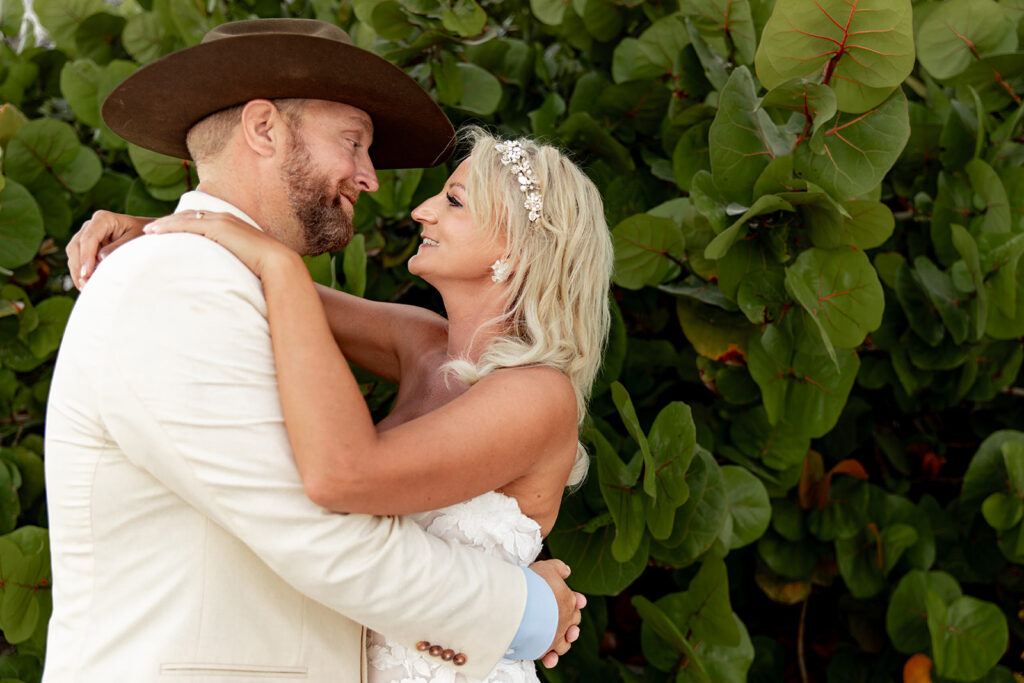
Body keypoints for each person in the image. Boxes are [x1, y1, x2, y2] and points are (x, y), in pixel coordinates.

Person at [45, 18, 585, 683]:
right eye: (353, 144)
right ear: (264, 129)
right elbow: (323, 532)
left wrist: (184, 237)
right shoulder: (176, 282)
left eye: (452, 198)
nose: (378, 184)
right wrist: (527, 609)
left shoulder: (222, 277)